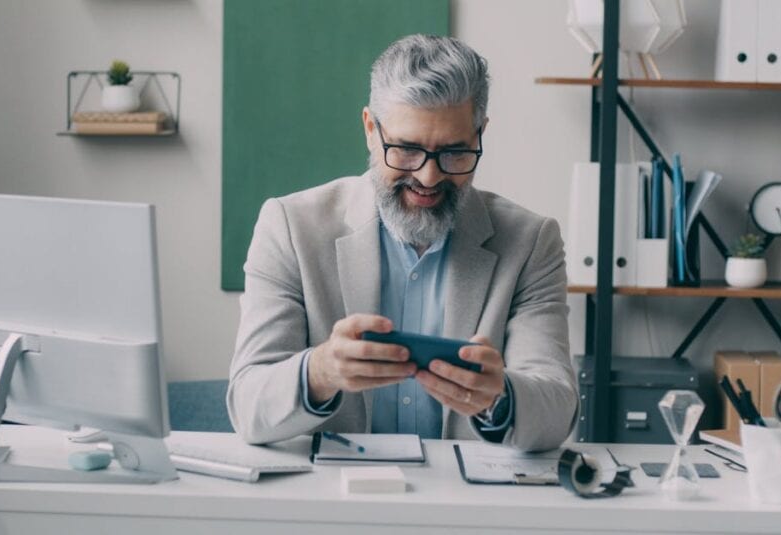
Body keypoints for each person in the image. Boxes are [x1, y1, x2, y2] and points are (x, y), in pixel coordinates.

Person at [227, 34, 577, 452]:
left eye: (455, 153)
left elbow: (558, 408)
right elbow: (247, 406)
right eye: (407, 151)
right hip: (332, 504)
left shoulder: (531, 242)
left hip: (465, 506)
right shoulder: (290, 227)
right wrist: (320, 372)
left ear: (480, 134)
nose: (429, 177)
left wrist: (499, 398)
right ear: (371, 131)